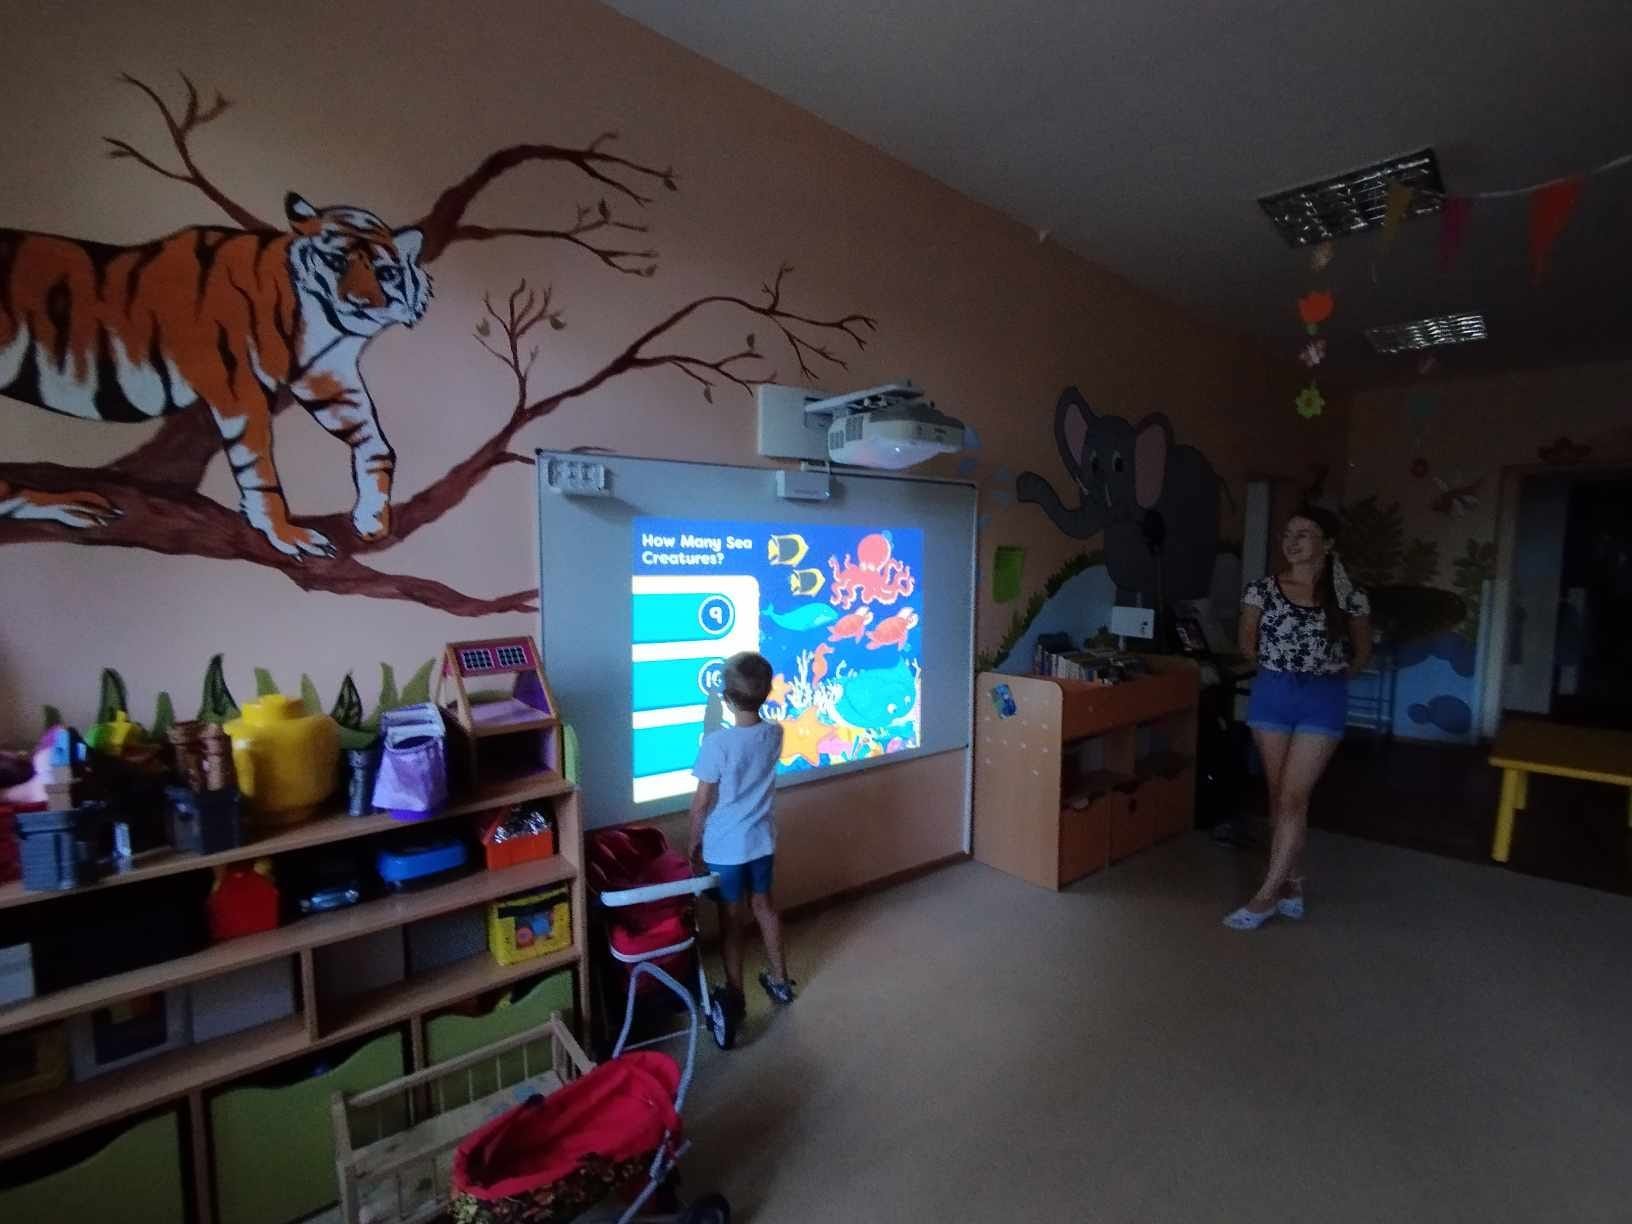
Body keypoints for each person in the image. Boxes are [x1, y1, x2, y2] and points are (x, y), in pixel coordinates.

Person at [1225, 506, 1371, 929]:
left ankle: (1265, 896)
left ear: (1328, 543)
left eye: (1304, 533)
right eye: (1288, 533)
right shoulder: (1261, 590)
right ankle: (1292, 882)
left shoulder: (1350, 596)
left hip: (1322, 699)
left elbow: (1363, 652)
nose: (1292, 541)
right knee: (1279, 797)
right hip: (1273, 694)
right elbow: (1246, 642)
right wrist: (1281, 667)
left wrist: (1329, 673)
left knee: (1292, 797)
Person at [689, 651, 797, 1011]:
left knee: (732, 922)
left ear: (726, 697)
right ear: (765, 693)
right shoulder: (775, 733)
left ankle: (735, 995)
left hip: (725, 849)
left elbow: (701, 803)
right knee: (765, 907)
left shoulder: (716, 744)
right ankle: (780, 980)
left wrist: (693, 843)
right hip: (761, 842)